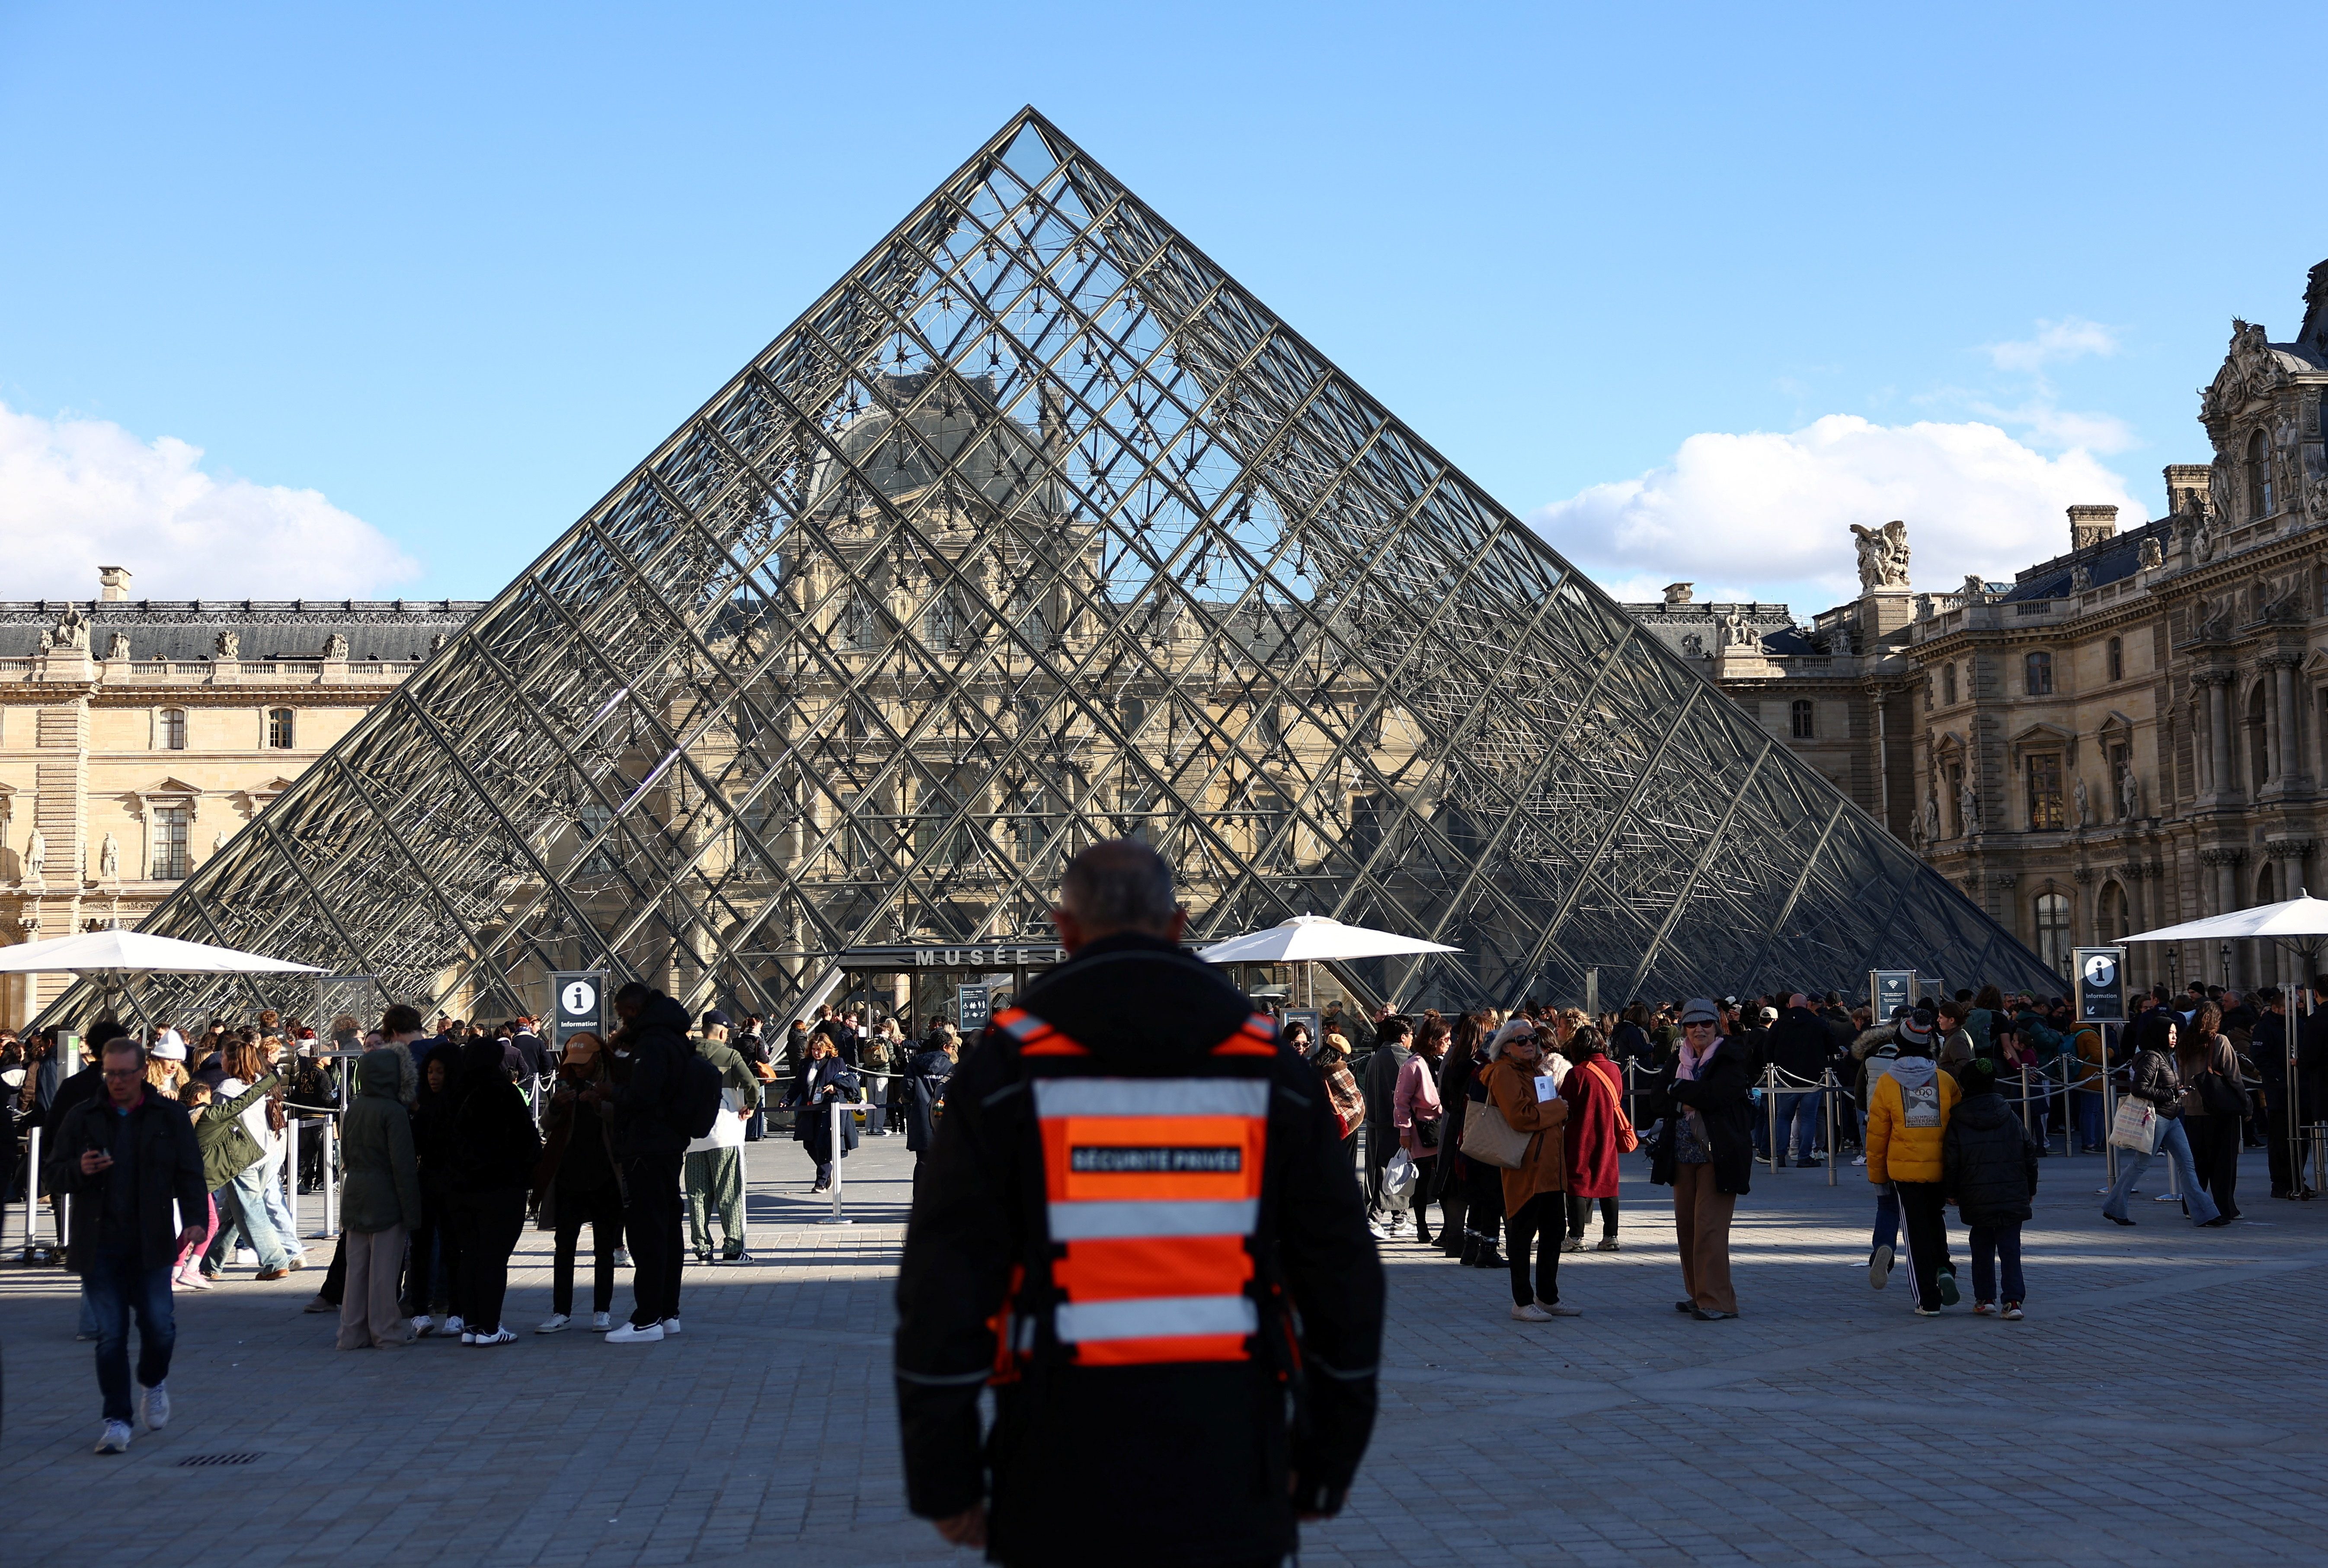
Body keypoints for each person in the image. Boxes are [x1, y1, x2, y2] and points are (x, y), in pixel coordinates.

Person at [894, 839, 1381, 1563]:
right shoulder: (1264, 1062)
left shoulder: (1007, 1065)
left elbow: (945, 1283)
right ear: (1179, 925)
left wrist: (945, 1476)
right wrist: (1324, 1456)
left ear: (1063, 930)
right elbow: (1341, 1274)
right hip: (1230, 1446)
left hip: (1057, 1454)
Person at [52, 1034, 209, 1453]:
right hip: (99, 1241)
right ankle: (116, 1420)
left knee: (160, 1326)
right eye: (110, 1073)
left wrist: (195, 1220)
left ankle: (154, 1381)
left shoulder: (168, 1115)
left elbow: (190, 1171)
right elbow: (53, 1172)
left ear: (143, 1071)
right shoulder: (83, 1115)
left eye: (125, 1073)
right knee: (110, 1336)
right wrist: (79, 1168)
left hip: (151, 1240)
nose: (117, 1081)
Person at [593, 982, 697, 1343]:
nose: (620, 1021)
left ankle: (647, 1318)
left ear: (634, 1011)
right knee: (668, 1229)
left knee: (646, 1232)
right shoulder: (671, 1038)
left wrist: (610, 1092)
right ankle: (668, 1313)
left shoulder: (652, 1045)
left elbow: (644, 1096)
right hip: (668, 1145)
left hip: (646, 1147)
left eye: (622, 1014)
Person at [1650, 997, 1753, 1319]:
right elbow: (1656, 1099)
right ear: (1683, 1028)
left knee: (1710, 1228)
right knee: (1688, 1228)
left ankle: (1719, 1301)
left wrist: (1677, 1091)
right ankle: (1698, 1293)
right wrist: (1684, 1101)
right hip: (1682, 1154)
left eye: (1706, 1023)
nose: (1699, 1029)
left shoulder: (1731, 1056)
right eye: (1692, 1024)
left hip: (1717, 1155)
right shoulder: (1677, 1058)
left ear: (1717, 1025)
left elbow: (1717, 1095)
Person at [1479, 1018, 1577, 1321]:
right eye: (1521, 1040)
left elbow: (1539, 1113)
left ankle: (1547, 1296)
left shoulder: (1534, 1070)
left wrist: (1553, 1112)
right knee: (1522, 1234)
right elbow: (1521, 1117)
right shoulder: (1504, 1073)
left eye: (1532, 1038)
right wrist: (1559, 1109)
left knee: (1553, 1231)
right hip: (1526, 1167)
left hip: (1548, 1166)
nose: (1529, 1044)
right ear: (1505, 1047)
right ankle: (1522, 1302)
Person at [449, 1033, 541, 1346]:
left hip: (462, 1189)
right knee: (494, 1258)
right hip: (502, 1187)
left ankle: (472, 1324)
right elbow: (527, 1140)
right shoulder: (505, 1092)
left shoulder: (457, 1093)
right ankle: (491, 1327)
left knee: (470, 1255)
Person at [1866, 1008, 1960, 1316]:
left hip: (1904, 1170)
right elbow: (1959, 1128)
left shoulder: (1888, 1084)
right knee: (1936, 1221)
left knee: (1915, 1234)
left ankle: (1926, 1299)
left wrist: (1878, 1176)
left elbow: (1878, 1135)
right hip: (1940, 1166)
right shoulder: (1945, 1081)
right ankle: (1943, 1269)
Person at [534, 1033, 623, 1332]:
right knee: (564, 1246)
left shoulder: (614, 1083)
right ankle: (561, 1311)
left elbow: (624, 1118)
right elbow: (546, 1124)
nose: (579, 1069)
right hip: (570, 1176)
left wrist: (600, 1102)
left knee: (604, 1247)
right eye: (574, 1064)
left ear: (598, 1059)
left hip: (604, 1175)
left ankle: (602, 1310)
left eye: (584, 1064)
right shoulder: (566, 1083)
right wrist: (557, 1106)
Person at [336, 1045, 424, 1350]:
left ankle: (351, 1333)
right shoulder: (393, 1112)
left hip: (355, 1194)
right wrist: (413, 1212)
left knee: (356, 1271)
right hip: (386, 1196)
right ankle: (386, 1332)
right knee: (384, 1274)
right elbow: (403, 1165)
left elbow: (345, 1154)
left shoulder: (355, 1108)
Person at [2102, 1012, 2221, 1228]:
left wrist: (2176, 1092)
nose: (2175, 1037)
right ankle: (2114, 1207)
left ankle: (2205, 1214)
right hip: (2156, 1118)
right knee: (2141, 1164)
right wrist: (2172, 1094)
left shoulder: (2166, 1056)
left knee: (2188, 1165)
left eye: (2176, 1033)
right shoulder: (2151, 1057)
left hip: (2171, 1118)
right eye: (2170, 1033)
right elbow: (2139, 1089)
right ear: (2159, 1034)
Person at [1943, 1056, 2040, 1318]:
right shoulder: (2010, 1114)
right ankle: (2014, 1302)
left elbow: (1952, 1160)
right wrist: (2030, 1187)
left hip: (1976, 1193)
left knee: (1981, 1243)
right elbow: (2029, 1152)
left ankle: (1985, 1298)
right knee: (2010, 1246)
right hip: (2012, 1191)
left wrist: (1951, 1192)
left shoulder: (1959, 1120)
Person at [684, 1009, 761, 1264]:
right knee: (730, 1191)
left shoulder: (685, 1055)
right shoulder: (730, 1055)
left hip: (694, 1136)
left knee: (697, 1195)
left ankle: (703, 1249)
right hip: (726, 1132)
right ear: (722, 1032)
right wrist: (750, 1106)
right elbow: (752, 1085)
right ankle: (733, 1249)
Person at [403, 1040, 466, 1334]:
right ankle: (420, 1311)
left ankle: (456, 1310)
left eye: (440, 1071)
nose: (433, 1077)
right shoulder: (425, 1106)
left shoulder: (460, 1106)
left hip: (452, 1186)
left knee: (453, 1248)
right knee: (422, 1248)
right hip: (427, 1184)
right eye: (429, 1071)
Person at [1559, 1024, 1627, 1251]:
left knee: (1578, 1183)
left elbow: (1565, 1105)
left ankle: (1576, 1238)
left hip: (1582, 1135)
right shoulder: (1614, 1070)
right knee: (1609, 1183)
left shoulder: (1577, 1073)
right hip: (1608, 1134)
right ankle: (1611, 1236)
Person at [2178, 1002, 2245, 1224]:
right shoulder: (2219, 1041)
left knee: (2196, 1163)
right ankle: (2225, 1207)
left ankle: (2192, 1206)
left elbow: (2181, 1075)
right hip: (2219, 1110)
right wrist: (2246, 1104)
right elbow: (2233, 1077)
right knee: (2223, 1162)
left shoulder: (2185, 1043)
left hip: (2192, 1109)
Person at [1393, 1016, 1447, 1245]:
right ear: (1433, 1040)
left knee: (1444, 1179)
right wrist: (1404, 1130)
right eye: (1444, 1039)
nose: (1449, 1042)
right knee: (1423, 1179)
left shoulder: (1444, 1061)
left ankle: (1449, 1228)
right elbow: (1401, 1101)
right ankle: (1423, 1228)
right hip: (1421, 1128)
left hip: (1443, 1126)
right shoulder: (1413, 1065)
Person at [1360, 1015, 1413, 1240]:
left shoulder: (1377, 1056)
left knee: (1384, 1170)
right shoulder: (1400, 1057)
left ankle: (1398, 1217)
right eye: (1411, 1035)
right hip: (1393, 1124)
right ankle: (1377, 1217)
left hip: (1376, 1123)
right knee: (1393, 1170)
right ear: (1403, 1037)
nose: (1413, 1039)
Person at [1765, 995, 1830, 1167]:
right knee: (1809, 1119)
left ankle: (1780, 1156)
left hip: (1785, 1079)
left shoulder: (1779, 1024)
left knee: (1784, 1118)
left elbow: (1768, 1049)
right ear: (1807, 1005)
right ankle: (1804, 1157)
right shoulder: (1818, 1023)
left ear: (1789, 1005)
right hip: (1813, 1080)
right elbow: (1832, 1046)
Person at [796, 1029, 861, 1190]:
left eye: (819, 1049)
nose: (816, 1052)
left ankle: (821, 1182)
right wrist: (785, 1101)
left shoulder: (837, 1062)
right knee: (809, 1144)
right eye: (813, 1049)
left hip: (829, 1108)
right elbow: (797, 1085)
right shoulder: (805, 1064)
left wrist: (835, 1088)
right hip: (810, 1108)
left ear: (827, 1049)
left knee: (823, 1144)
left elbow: (845, 1082)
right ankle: (827, 1169)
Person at [899, 1025, 954, 1182]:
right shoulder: (950, 1068)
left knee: (922, 1163)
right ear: (945, 1047)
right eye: (952, 1047)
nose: (952, 1051)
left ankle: (920, 1201)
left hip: (920, 1117)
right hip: (942, 1119)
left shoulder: (915, 1065)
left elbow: (907, 1088)